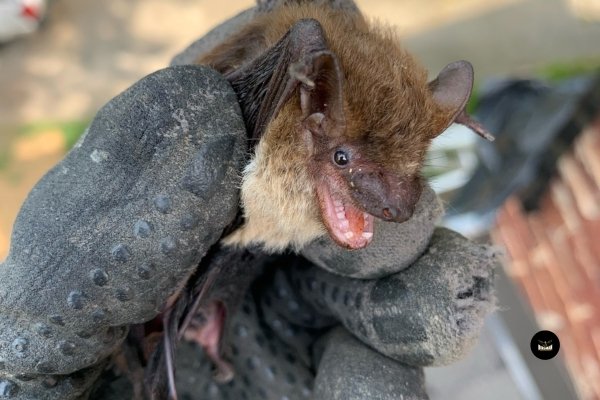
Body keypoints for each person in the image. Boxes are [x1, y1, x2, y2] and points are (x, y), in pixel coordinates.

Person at [0, 2, 496, 399]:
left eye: (401, 172)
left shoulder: (332, 144)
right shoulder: (266, 123)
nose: (385, 200)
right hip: (235, 158)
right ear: (313, 112)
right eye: (344, 160)